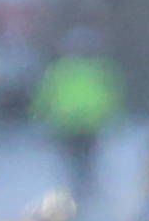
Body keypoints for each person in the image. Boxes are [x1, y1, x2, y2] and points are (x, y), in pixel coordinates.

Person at [33, 30, 122, 208]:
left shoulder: (60, 70)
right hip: (83, 123)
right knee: (83, 160)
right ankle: (84, 191)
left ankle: (81, 191)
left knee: (78, 160)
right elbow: (112, 96)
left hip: (73, 123)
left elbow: (45, 97)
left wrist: (39, 115)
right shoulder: (98, 70)